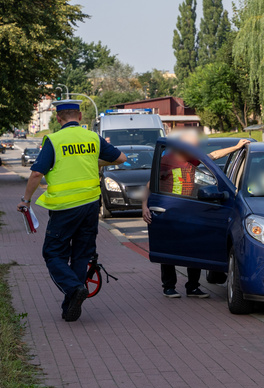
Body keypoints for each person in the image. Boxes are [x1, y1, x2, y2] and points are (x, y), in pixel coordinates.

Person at [17, 100, 127, 322]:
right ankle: (70, 307)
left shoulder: (55, 140)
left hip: (65, 208)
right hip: (90, 205)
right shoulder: (92, 138)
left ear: (58, 119)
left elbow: (37, 174)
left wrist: (26, 200)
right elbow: (121, 158)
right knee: (81, 255)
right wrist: (93, 161)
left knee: (53, 253)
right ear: (79, 115)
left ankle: (74, 288)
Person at [142, 130, 250, 298]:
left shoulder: (191, 159)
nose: (195, 150)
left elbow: (213, 156)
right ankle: (169, 286)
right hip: (171, 210)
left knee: (195, 247)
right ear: (182, 145)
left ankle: (192, 287)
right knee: (169, 249)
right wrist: (145, 206)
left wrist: (236, 147)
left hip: (190, 209)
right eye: (192, 146)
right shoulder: (166, 161)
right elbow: (150, 184)